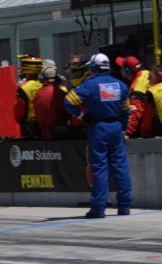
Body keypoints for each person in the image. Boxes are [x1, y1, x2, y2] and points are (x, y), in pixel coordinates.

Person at [64, 53, 133, 218]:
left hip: (99, 127)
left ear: (93, 67)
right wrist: (123, 130)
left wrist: (82, 116)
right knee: (120, 166)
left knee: (100, 167)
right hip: (116, 128)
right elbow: (126, 110)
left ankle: (98, 208)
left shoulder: (89, 85)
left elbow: (68, 101)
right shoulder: (121, 85)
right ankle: (124, 205)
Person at [116, 56, 151, 138]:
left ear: (126, 71)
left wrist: (128, 133)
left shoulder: (136, 87)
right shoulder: (145, 73)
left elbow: (136, 111)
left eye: (122, 68)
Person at [16, 54, 44, 138]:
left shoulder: (23, 87)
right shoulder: (43, 84)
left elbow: (19, 112)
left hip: (29, 125)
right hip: (42, 122)